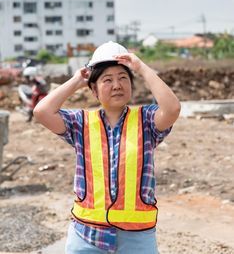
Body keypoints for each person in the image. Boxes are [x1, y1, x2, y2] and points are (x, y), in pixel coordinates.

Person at [33, 41, 181, 254]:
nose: (117, 85)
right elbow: (42, 112)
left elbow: (172, 108)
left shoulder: (146, 121)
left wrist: (141, 68)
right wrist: (76, 80)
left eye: (123, 78)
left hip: (137, 238)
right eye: (107, 80)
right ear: (93, 90)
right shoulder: (81, 123)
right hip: (87, 236)